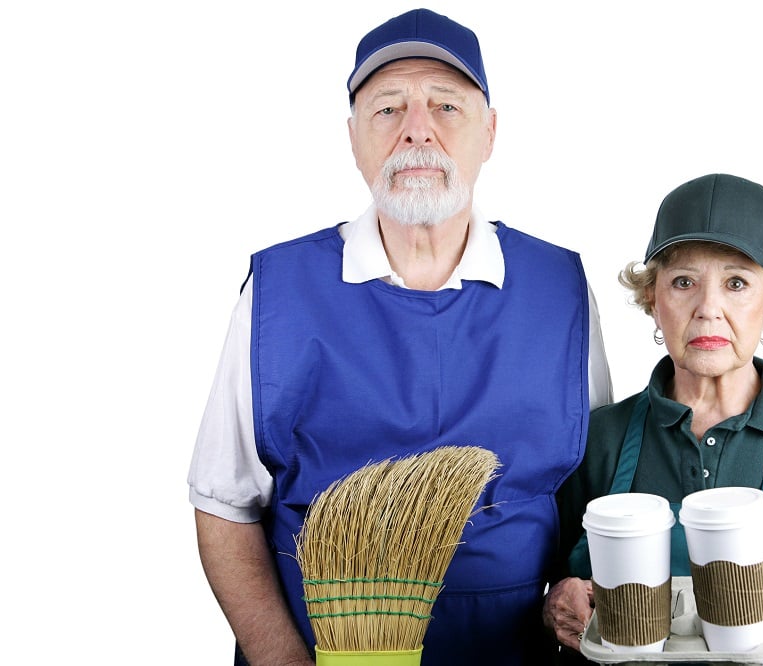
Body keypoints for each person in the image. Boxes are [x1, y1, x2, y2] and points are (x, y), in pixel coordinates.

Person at [188, 8, 613, 666]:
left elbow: (592, 490)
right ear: (354, 137)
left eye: (447, 106)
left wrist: (578, 594)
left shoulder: (558, 287)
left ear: (490, 133)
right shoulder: (280, 290)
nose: (418, 131)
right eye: (388, 109)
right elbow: (224, 500)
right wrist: (281, 659)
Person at [543, 174, 763, 665]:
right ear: (653, 299)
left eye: (737, 283)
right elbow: (533, 596)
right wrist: (554, 603)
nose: (708, 309)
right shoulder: (594, 438)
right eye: (683, 282)